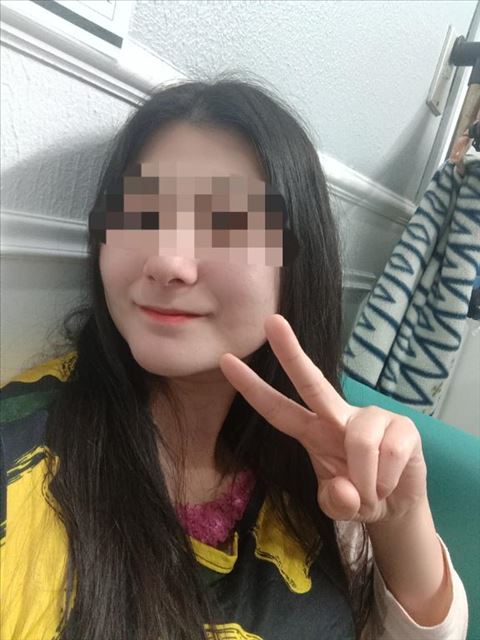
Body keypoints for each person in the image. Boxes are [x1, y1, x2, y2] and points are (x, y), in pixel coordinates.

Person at [0, 74, 469, 640]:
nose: (167, 262)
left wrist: (399, 520)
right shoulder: (20, 454)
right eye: (139, 213)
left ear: (296, 261)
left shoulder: (316, 461)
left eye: (224, 221)